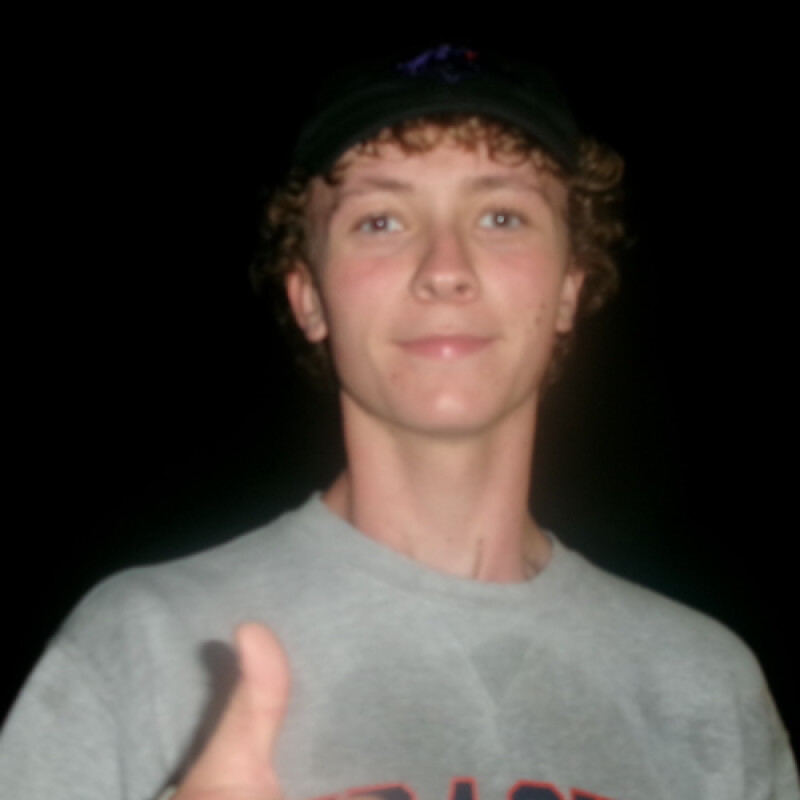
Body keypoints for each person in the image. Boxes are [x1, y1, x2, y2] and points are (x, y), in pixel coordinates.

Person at [1, 44, 797, 800]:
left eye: (502, 217)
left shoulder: (703, 687)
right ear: (309, 298)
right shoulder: (144, 645)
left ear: (567, 289)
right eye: (380, 220)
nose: (445, 270)